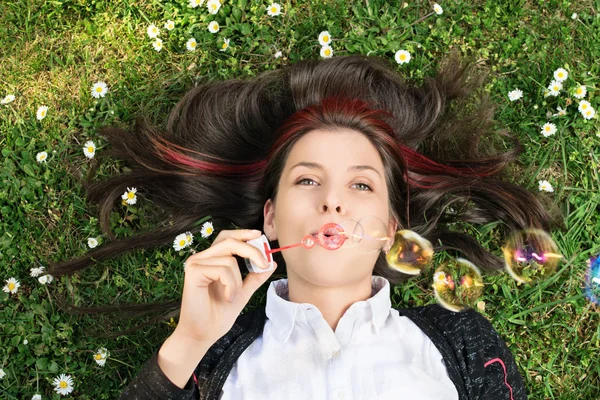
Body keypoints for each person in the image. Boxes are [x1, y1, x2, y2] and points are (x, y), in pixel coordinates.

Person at [49, 50, 564, 399]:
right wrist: (190, 340)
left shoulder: (461, 337)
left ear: (390, 228)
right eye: (307, 181)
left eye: (360, 185)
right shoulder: (213, 353)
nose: (333, 202)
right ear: (270, 218)